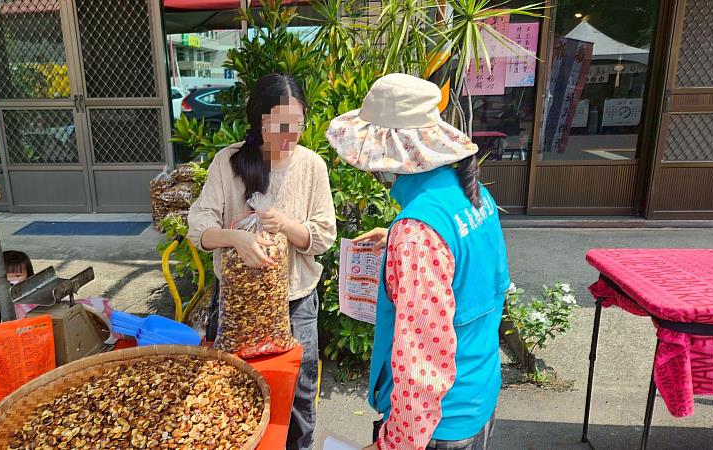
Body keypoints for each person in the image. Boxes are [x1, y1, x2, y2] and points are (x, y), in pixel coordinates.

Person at [326, 73, 511, 450]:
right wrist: (395, 238)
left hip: (437, 423)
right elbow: (479, 277)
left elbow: (422, 361)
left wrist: (393, 444)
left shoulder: (417, 234)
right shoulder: (472, 195)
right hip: (479, 391)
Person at [187, 73, 337, 450]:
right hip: (237, 304)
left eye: (297, 125)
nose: (290, 136)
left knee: (299, 395)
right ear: (260, 121)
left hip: (295, 302)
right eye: (280, 126)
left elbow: (322, 236)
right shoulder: (229, 162)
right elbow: (200, 226)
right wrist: (234, 238)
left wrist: (287, 226)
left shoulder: (311, 166)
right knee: (234, 390)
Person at [0, 250, 35, 327]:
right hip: (5, 333)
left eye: (18, 276)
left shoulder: (33, 295)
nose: (11, 280)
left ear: (28, 276)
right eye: (4, 277)